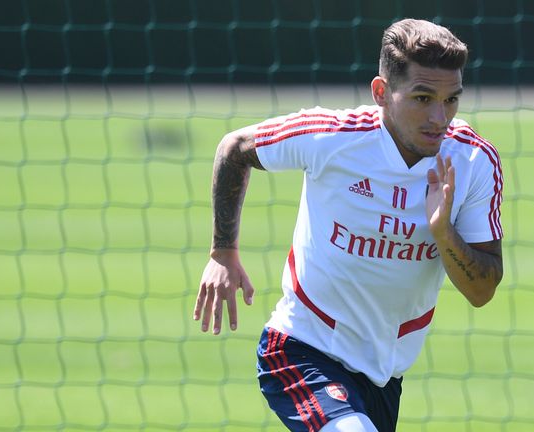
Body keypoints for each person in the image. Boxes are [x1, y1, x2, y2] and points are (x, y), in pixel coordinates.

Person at [193, 18, 504, 432]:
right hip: (302, 347)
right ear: (382, 93)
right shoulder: (333, 137)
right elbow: (235, 149)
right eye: (423, 97)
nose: (438, 117)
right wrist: (222, 252)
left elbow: (482, 291)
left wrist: (444, 231)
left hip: (383, 375)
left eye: (451, 100)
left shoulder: (473, 161)